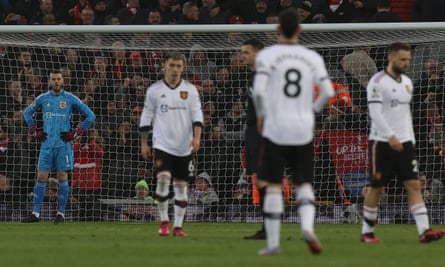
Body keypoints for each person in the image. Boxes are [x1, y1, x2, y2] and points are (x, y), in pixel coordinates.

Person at [253, 8, 335, 255]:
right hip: (303, 129)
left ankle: (273, 244)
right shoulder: (311, 57)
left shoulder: (267, 56)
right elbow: (329, 93)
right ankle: (308, 227)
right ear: (300, 30)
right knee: (304, 184)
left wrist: (261, 116)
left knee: (274, 185)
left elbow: (258, 92)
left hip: (276, 127)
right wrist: (312, 110)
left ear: (277, 30)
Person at [361, 42, 444, 243]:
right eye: (402, 59)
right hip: (381, 143)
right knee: (377, 187)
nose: (406, 63)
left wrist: (410, 140)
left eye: (408, 59)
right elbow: (375, 113)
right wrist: (391, 136)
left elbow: (405, 115)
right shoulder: (377, 81)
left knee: (414, 185)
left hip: (405, 143)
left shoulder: (407, 82)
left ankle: (424, 231)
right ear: (391, 58)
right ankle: (367, 232)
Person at [139, 51, 203, 237]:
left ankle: (178, 226)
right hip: (162, 145)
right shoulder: (154, 90)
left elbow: (198, 116)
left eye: (179, 66)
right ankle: (164, 221)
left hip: (184, 146)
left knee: (181, 186)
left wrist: (197, 138)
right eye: (172, 65)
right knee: (163, 179)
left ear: (183, 68)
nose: (175, 69)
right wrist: (144, 143)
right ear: (164, 66)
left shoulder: (191, 90)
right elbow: (146, 116)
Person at [22, 70, 96, 224]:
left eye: (58, 79)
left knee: (62, 177)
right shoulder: (42, 98)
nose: (56, 82)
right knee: (41, 177)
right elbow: (27, 113)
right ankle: (35, 213)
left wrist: (76, 133)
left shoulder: (70, 98)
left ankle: (60, 214)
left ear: (63, 81)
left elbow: (91, 115)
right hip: (47, 144)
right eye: (53, 79)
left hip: (63, 145)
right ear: (49, 82)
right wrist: (34, 131)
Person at [239, 38, 266, 240]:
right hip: (252, 131)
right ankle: (267, 226)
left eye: (246, 52)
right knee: (257, 178)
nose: (242, 56)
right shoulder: (253, 76)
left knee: (264, 178)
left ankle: (269, 227)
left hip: (262, 131)